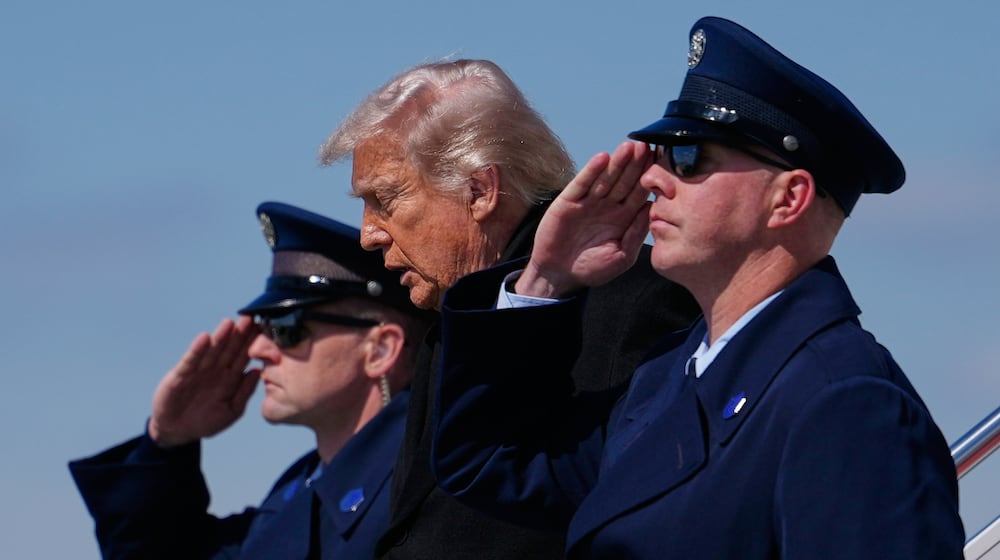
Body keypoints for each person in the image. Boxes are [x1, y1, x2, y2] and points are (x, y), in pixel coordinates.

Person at [429, 17, 966, 559]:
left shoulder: (846, 403)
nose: (652, 179)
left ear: (788, 199)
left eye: (688, 158)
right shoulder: (668, 378)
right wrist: (546, 278)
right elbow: (491, 461)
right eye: (660, 156)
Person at [319, 59, 700, 558]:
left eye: (385, 199)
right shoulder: (455, 321)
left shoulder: (634, 300)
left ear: (480, 191)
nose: (368, 235)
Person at [69, 201, 435, 559]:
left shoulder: (431, 486)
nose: (258, 348)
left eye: (286, 328)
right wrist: (168, 442)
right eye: (263, 328)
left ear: (380, 350)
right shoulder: (294, 498)